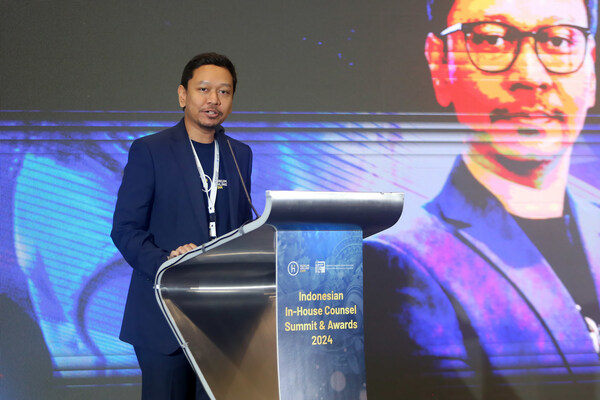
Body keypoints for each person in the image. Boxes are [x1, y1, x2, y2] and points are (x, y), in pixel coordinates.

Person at [364, 0, 599, 399]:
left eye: (559, 40)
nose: (531, 76)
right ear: (440, 64)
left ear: (590, 68)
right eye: (492, 40)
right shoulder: (402, 260)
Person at [111, 52, 253, 399]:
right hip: (164, 317)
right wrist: (167, 263)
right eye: (204, 89)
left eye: (224, 92)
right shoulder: (150, 150)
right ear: (182, 95)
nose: (213, 100)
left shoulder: (239, 153)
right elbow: (125, 229)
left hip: (223, 323)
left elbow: (242, 226)